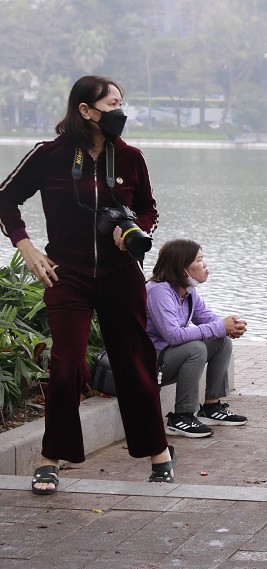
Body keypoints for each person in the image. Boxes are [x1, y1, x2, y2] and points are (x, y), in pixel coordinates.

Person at [0, 75, 175, 493]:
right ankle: (50, 459)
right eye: (112, 104)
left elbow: (149, 209)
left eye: (120, 103)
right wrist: (27, 248)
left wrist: (132, 231)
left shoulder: (130, 157)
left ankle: (159, 453)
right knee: (66, 365)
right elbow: (4, 198)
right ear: (85, 110)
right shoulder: (49, 155)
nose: (120, 112)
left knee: (135, 362)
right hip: (68, 274)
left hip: (120, 275)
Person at [146, 239, 248, 438]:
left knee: (222, 341)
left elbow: (207, 318)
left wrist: (231, 327)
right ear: (181, 267)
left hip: (169, 356)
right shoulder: (159, 291)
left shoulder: (188, 291)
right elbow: (173, 335)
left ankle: (211, 407)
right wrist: (220, 327)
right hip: (152, 361)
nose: (205, 265)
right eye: (199, 260)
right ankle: (181, 418)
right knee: (196, 348)